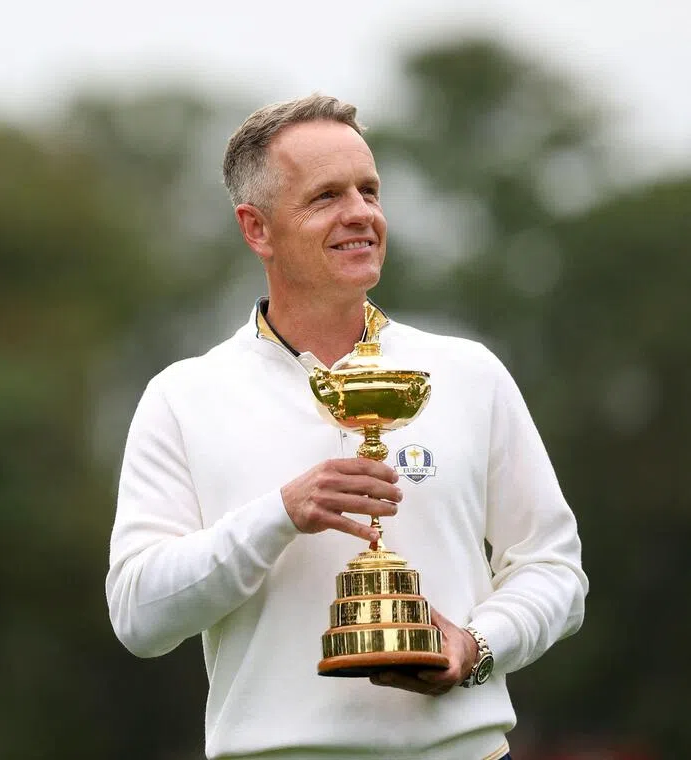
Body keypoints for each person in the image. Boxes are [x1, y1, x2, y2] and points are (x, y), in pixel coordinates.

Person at [105, 95, 587, 760]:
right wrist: (279, 514)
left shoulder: (469, 373)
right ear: (257, 228)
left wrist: (478, 645)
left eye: (369, 190)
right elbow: (139, 615)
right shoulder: (183, 397)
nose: (360, 213)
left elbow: (554, 569)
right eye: (326, 196)